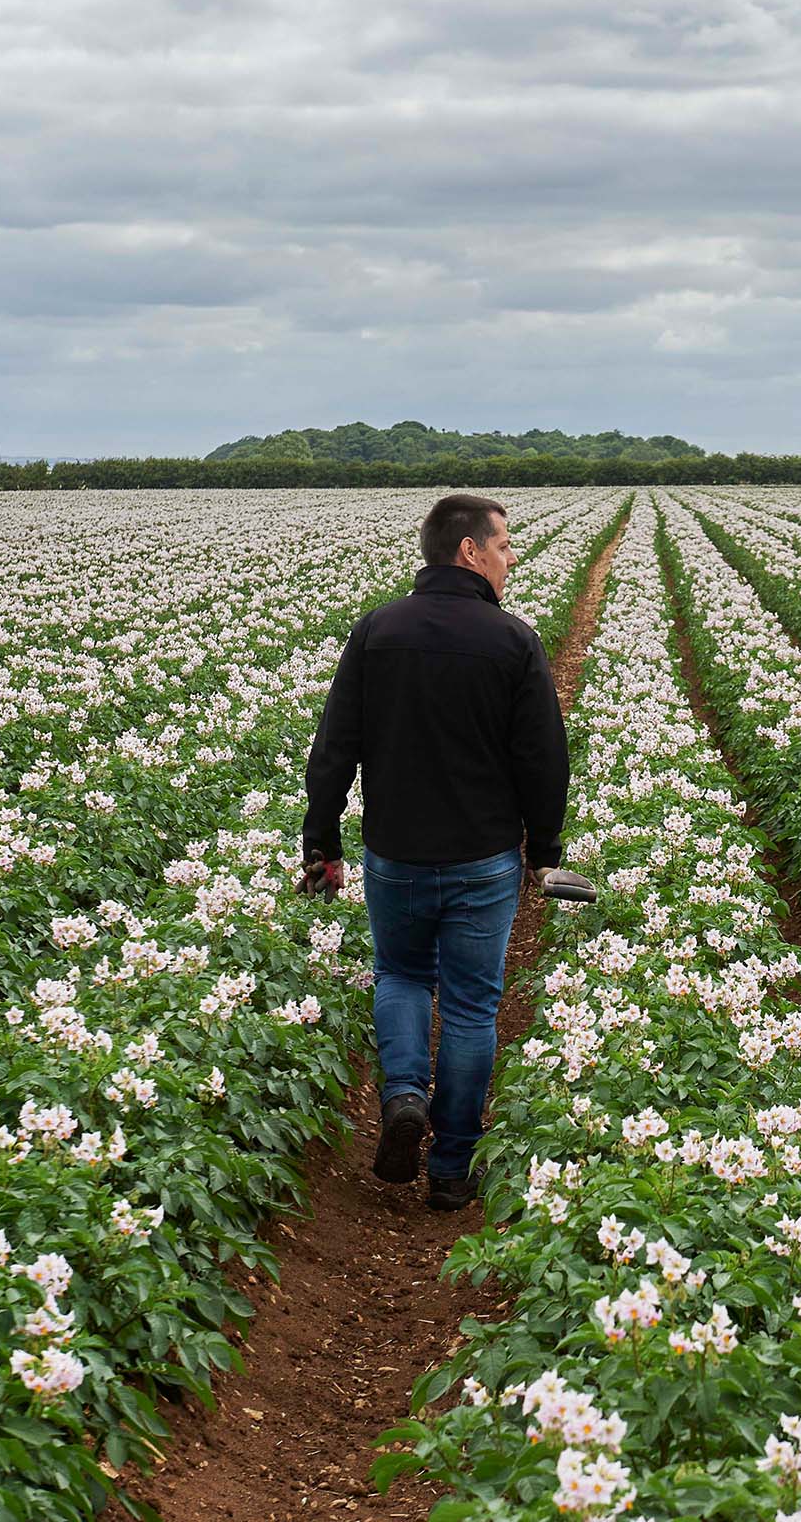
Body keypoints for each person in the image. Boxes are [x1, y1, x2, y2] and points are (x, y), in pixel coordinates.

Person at [297, 494, 570, 1210]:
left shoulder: (377, 630)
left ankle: (403, 1095)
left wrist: (320, 842)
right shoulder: (513, 642)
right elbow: (544, 760)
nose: (512, 558)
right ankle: (451, 1167)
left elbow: (335, 746)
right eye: (505, 544)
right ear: (469, 552)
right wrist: (543, 852)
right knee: (475, 1007)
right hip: (482, 857)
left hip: (396, 853)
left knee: (402, 975)